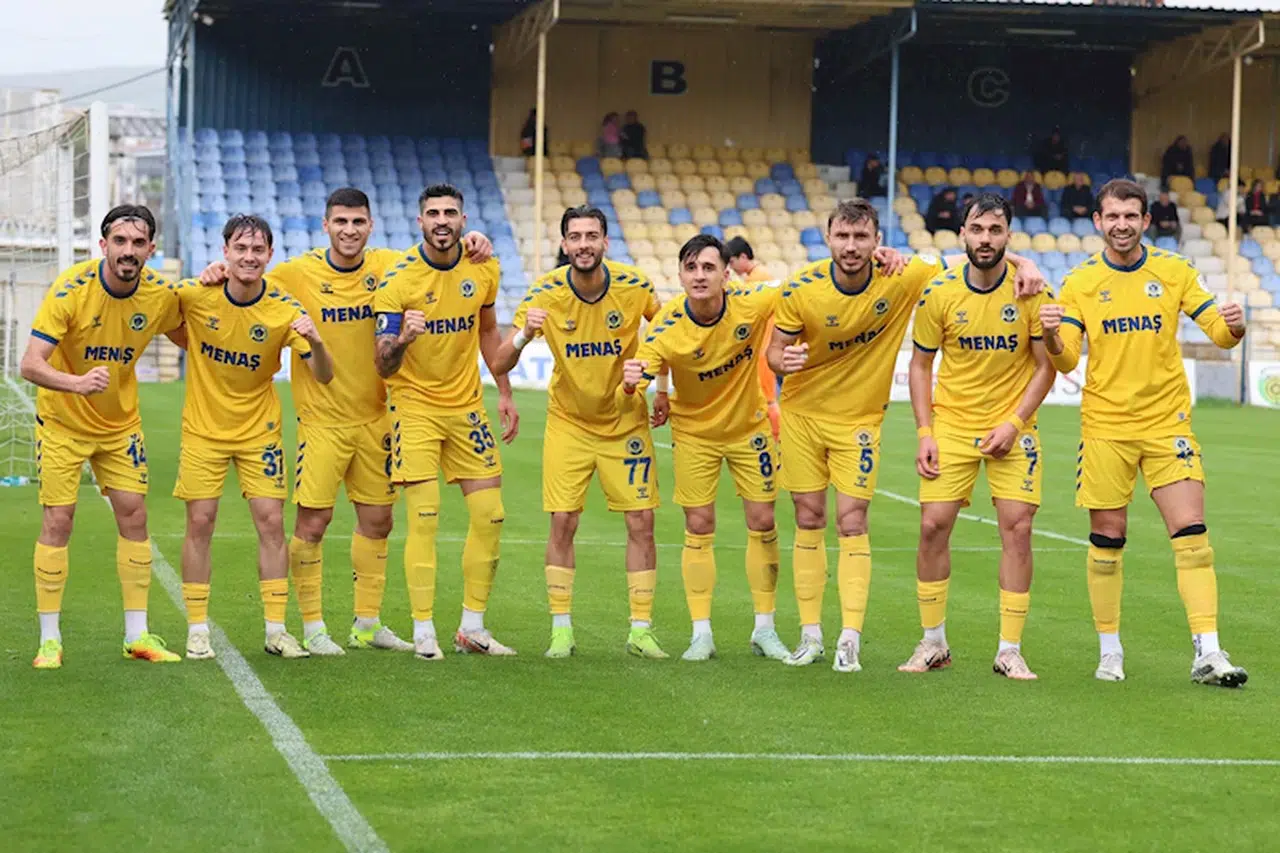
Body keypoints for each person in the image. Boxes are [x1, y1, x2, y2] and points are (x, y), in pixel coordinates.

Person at [198, 188, 494, 656]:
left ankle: (367, 623)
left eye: (358, 222)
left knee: (378, 522)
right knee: (313, 524)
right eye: (341, 222)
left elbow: (438, 253)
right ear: (326, 226)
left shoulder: (389, 266)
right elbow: (250, 278)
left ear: (371, 226)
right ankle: (313, 627)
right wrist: (218, 270)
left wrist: (474, 240)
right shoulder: (297, 273)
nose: (349, 230)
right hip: (321, 421)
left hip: (376, 418)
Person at [767, 199, 1047, 672]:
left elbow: (975, 256)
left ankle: (851, 639)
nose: (851, 246)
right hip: (803, 416)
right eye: (842, 236)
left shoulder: (904, 274)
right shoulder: (802, 287)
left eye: (861, 237)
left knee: (852, 521)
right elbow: (775, 351)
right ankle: (812, 635)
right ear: (827, 238)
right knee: (810, 517)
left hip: (859, 420)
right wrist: (783, 361)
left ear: (878, 241)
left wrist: (1026, 262)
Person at [1040, 178, 1249, 687]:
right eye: (1112, 216)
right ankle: (1110, 651)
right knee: (1107, 541)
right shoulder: (1079, 283)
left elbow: (1220, 335)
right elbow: (1065, 359)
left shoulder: (1174, 270)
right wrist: (1050, 335)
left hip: (1166, 424)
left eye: (1131, 216)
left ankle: (1209, 652)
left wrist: (1235, 326)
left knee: (1193, 536)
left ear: (1146, 220)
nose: (1122, 225)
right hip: (1106, 427)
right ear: (1097, 221)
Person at [489, 206, 668, 660]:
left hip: (625, 421)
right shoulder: (544, 293)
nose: (583, 244)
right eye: (575, 237)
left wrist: (658, 383)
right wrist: (523, 336)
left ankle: (641, 630)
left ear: (606, 241)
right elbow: (499, 362)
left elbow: (669, 332)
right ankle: (561, 630)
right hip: (569, 422)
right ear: (564, 244)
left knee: (642, 523)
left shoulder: (635, 286)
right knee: (563, 521)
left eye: (591, 236)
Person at [21, 204, 187, 669]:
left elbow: (191, 335)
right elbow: (30, 364)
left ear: (151, 249)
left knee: (134, 516)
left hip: (119, 426)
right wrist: (76, 384)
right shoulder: (71, 289)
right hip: (63, 423)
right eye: (120, 241)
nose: (128, 250)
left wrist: (214, 286)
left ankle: (137, 636)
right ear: (103, 245)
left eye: (138, 243)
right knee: (59, 521)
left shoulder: (160, 296)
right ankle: (49, 641)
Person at [904, 193, 1056, 680]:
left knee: (1018, 528)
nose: (985, 239)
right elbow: (920, 365)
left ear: (1008, 235)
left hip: (1013, 425)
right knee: (933, 526)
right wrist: (925, 431)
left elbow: (1046, 366)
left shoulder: (1030, 290)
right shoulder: (939, 291)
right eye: (977, 229)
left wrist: (1015, 423)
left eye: (995, 230)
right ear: (962, 234)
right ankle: (933, 643)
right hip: (952, 424)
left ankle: (1009, 650)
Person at [172, 214, 335, 661]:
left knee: (271, 523)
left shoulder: (285, 309)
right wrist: (193, 340)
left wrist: (318, 341)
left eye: (257, 250)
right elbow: (163, 319)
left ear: (269, 255)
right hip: (203, 430)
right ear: (225, 252)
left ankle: (276, 630)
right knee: (200, 523)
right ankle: (197, 630)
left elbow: (324, 375)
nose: (249, 257)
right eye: (240, 249)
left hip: (259, 432)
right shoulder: (195, 294)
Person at [621, 234, 790, 662]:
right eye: (691, 268)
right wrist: (634, 382)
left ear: (726, 274)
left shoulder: (752, 301)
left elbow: (802, 287)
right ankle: (701, 634)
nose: (700, 276)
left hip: (749, 428)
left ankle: (765, 629)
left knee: (763, 520)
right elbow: (640, 373)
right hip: (695, 433)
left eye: (709, 268)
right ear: (680, 276)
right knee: (698, 525)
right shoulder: (665, 325)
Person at [373, 184, 520, 660]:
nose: (442, 220)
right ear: (420, 222)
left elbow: (488, 332)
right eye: (433, 213)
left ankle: (472, 627)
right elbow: (382, 365)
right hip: (413, 407)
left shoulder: (484, 268)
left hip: (467, 407)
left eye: (450, 213)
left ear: (463, 220)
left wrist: (505, 392)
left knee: (491, 515)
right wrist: (403, 339)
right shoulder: (397, 282)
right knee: (425, 516)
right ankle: (423, 630)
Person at [726, 236, 780, 441]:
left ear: (743, 257)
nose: (732, 267)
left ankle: (776, 439)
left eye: (732, 262)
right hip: (765, 343)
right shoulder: (761, 275)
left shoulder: (755, 280)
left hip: (763, 346)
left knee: (768, 398)